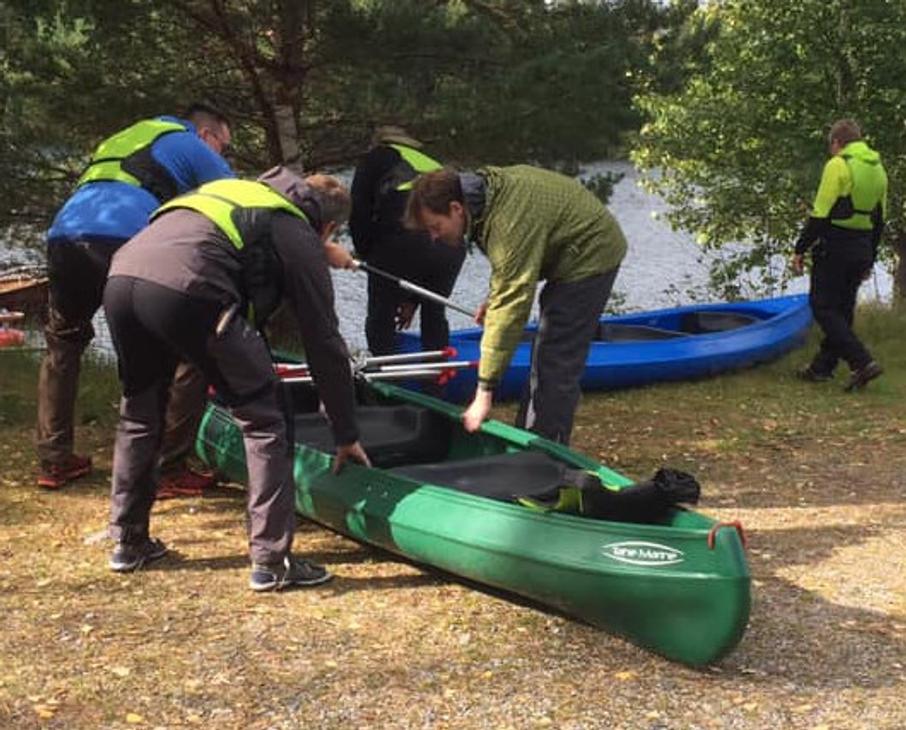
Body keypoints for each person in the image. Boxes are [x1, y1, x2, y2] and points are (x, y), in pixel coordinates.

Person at [102, 167, 370, 590]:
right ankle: (271, 562)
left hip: (123, 278)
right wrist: (345, 431)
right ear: (330, 227)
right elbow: (325, 344)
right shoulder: (294, 231)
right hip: (190, 288)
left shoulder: (243, 193)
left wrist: (317, 249)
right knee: (266, 417)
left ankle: (128, 542)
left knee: (140, 410)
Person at [37, 103, 235, 491]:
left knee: (63, 346)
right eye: (223, 146)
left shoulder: (126, 137)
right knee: (190, 345)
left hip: (64, 234)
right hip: (124, 237)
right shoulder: (189, 142)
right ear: (207, 136)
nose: (221, 154)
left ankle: (54, 460)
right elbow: (237, 198)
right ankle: (168, 466)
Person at [405, 165, 627, 445]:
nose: (434, 237)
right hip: (565, 248)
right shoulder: (485, 203)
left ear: (455, 209)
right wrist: (495, 299)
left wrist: (483, 393)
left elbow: (513, 300)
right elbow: (509, 269)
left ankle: (544, 456)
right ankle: (530, 437)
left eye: (436, 227)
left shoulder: (506, 220)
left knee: (556, 355)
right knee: (544, 349)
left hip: (592, 252)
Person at [350, 125, 465, 355]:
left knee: (381, 316)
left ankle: (385, 379)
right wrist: (412, 299)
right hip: (451, 244)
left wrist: (367, 258)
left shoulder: (375, 157)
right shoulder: (428, 161)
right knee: (434, 313)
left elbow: (358, 211)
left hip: (402, 239)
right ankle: (435, 379)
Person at [792, 119, 886, 391]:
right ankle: (822, 367)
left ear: (836, 142)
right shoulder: (878, 168)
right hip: (862, 245)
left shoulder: (838, 165)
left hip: (835, 244)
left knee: (822, 306)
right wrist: (870, 257)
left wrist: (800, 248)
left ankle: (862, 361)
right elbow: (879, 220)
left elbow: (820, 213)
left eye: (830, 146)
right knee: (842, 310)